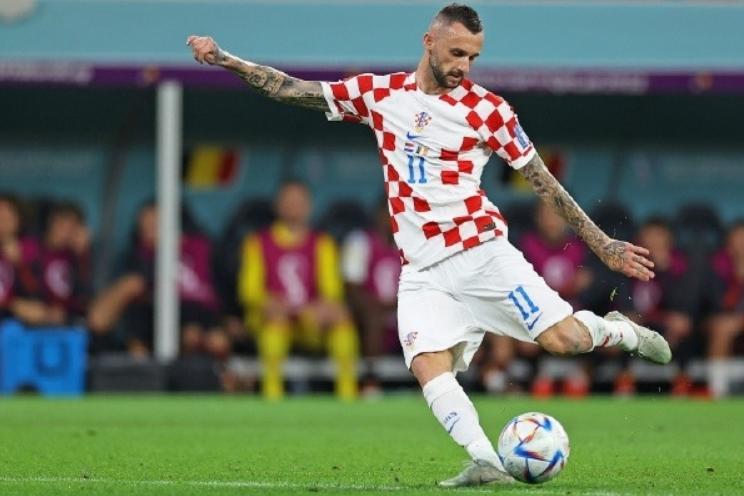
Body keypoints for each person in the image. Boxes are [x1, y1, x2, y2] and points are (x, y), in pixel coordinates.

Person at [187, 3, 671, 486]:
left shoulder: (490, 111)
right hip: (422, 269)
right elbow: (294, 89)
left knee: (565, 341)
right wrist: (226, 59)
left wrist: (602, 244)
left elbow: (543, 182)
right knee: (427, 364)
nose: (465, 66)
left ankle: (620, 332)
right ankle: (486, 460)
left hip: (481, 254)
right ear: (429, 42)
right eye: (457, 53)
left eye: (473, 57)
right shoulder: (381, 95)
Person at [238, 180, 359, 400]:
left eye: (299, 201)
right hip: (273, 319)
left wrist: (322, 307)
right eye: (288, 201)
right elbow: (249, 290)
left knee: (342, 319)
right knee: (274, 326)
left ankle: (347, 395)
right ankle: (272, 396)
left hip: (310, 320)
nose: (293, 206)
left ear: (309, 206)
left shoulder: (322, 243)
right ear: (278, 205)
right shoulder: (258, 242)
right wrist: (268, 302)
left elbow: (332, 291)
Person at [613, 218, 696, 395]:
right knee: (625, 324)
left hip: (667, 322)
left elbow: (682, 304)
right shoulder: (630, 263)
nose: (653, 241)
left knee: (682, 326)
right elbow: (623, 297)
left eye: (658, 235)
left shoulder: (680, 266)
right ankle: (624, 381)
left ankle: (682, 382)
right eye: (648, 235)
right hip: (640, 322)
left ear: (669, 239)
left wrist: (664, 269)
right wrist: (630, 315)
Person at [343, 200, 402, 395]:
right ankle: (370, 382)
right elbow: (352, 288)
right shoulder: (360, 242)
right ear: (379, 215)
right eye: (389, 213)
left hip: (403, 313)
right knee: (373, 317)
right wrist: (380, 308)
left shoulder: (414, 245)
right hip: (370, 316)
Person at [707, 221, 744, 397]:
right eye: (737, 238)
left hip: (739, 321)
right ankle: (718, 390)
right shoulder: (718, 267)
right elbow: (719, 306)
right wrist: (738, 275)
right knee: (722, 327)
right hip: (724, 322)